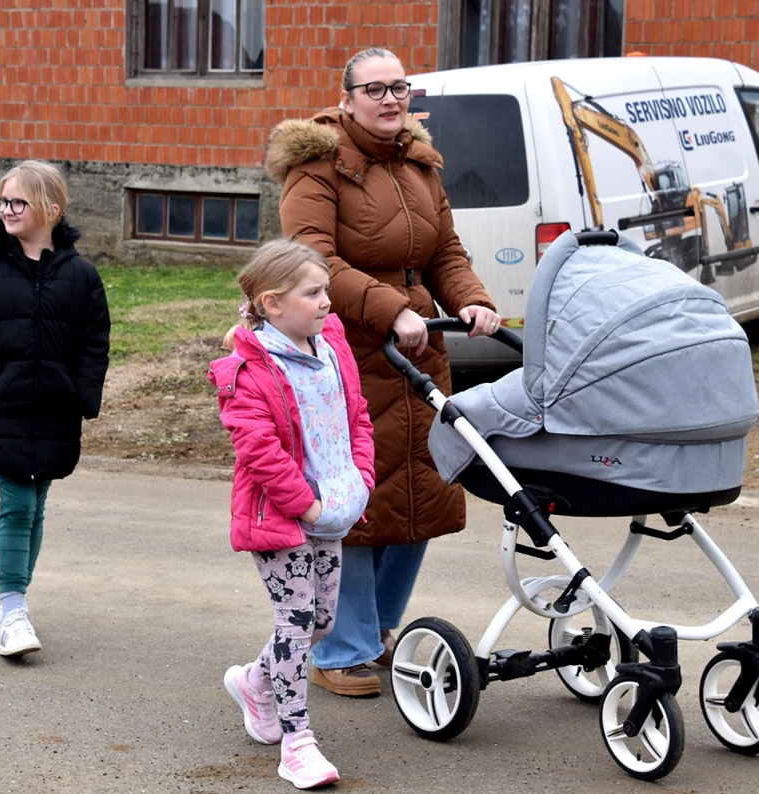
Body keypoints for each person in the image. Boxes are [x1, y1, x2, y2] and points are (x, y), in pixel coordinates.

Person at [264, 47, 503, 696]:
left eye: (399, 87)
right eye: (375, 89)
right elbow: (311, 264)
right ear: (346, 100)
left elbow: (444, 251)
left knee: (422, 492)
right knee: (358, 498)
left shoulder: (420, 165)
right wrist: (392, 308)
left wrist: (472, 300)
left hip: (416, 346)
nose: (390, 98)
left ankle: (379, 628)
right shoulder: (317, 168)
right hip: (342, 347)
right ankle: (340, 647)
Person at [209, 239, 374, 789]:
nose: (328, 301)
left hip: (332, 510)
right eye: (314, 292)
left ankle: (255, 684)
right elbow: (257, 449)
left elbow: (357, 417)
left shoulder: (332, 347)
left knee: (321, 622)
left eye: (325, 289)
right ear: (273, 303)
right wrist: (304, 504)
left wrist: (362, 481)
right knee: (297, 622)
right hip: (281, 519)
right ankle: (297, 741)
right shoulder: (248, 371)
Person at [0, 160, 110, 658]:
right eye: (2, 202)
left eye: (17, 201)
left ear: (51, 209)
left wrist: (83, 394)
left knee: (36, 506)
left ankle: (15, 604)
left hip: (57, 409)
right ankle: (12, 610)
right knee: (17, 505)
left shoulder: (81, 275)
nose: (7, 210)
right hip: (4, 407)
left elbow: (94, 342)